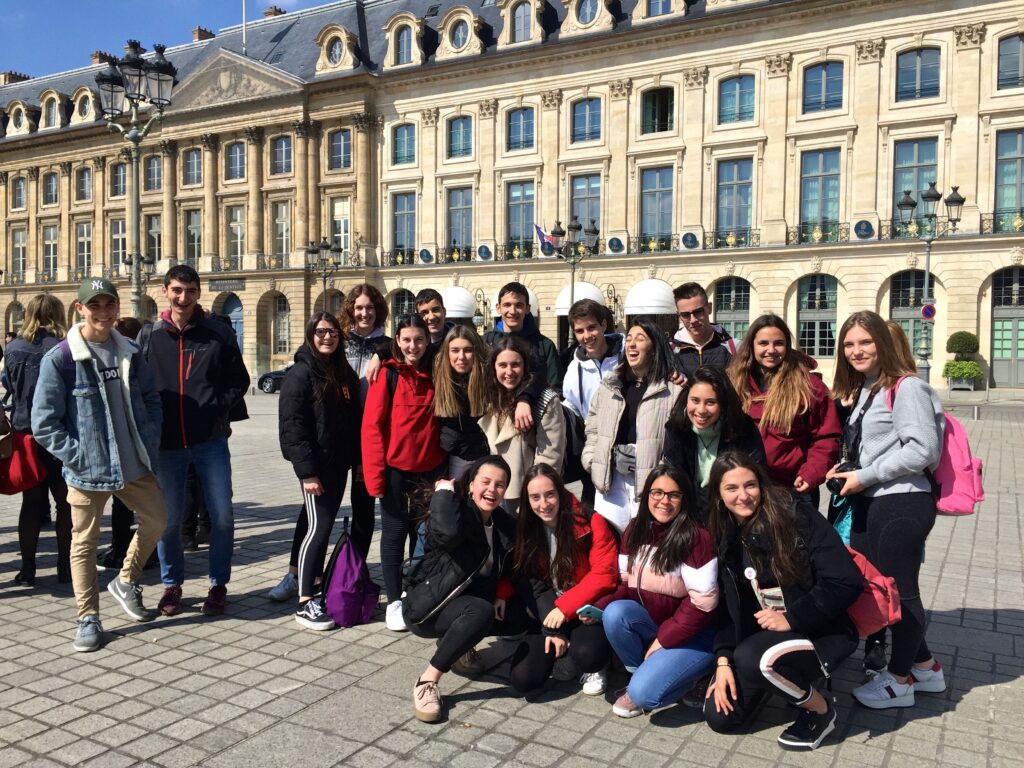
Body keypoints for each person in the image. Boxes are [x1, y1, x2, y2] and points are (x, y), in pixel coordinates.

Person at [32, 278, 166, 652]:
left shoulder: (130, 352)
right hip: (88, 469)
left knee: (158, 521)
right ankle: (88, 616)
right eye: (95, 306)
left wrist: (150, 437)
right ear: (80, 309)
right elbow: (44, 423)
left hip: (133, 462)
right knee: (85, 543)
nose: (104, 313)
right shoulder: (61, 358)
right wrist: (79, 456)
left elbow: (151, 399)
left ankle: (126, 580)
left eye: (109, 305)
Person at [827, 310, 946, 709]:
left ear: (882, 342)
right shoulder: (868, 387)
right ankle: (926, 668)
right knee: (882, 587)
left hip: (902, 501)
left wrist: (865, 475)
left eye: (865, 341)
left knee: (902, 592)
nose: (856, 350)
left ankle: (899, 681)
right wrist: (848, 470)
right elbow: (876, 446)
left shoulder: (907, 387)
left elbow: (923, 449)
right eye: (849, 344)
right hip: (873, 499)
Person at [704, 451, 862, 750]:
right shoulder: (724, 533)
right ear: (718, 495)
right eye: (731, 488)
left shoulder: (796, 516)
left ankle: (820, 710)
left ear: (761, 485)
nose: (743, 496)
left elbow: (845, 581)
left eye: (750, 485)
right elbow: (728, 608)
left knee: (753, 658)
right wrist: (722, 660)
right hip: (764, 638)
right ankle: (776, 678)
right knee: (721, 717)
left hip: (818, 631)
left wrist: (792, 618)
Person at [268, 284, 392, 602]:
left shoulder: (388, 346)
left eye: (370, 308)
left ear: (378, 310)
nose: (364, 313)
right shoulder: (338, 341)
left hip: (368, 441)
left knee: (363, 508)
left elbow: (401, 350)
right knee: (316, 514)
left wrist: (381, 353)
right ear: (350, 310)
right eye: (359, 308)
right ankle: (297, 574)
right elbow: (308, 362)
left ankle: (353, 573)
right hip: (333, 441)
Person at [147, 265, 250, 617]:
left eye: (190, 291)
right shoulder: (150, 337)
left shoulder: (217, 334)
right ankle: (171, 584)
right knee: (169, 520)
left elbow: (239, 380)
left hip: (210, 441)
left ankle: (218, 584)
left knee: (222, 514)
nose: (183, 297)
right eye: (177, 290)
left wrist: (215, 408)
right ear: (165, 291)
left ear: (198, 293)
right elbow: (138, 388)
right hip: (167, 444)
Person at [595, 463, 719, 718]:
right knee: (614, 613)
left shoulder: (697, 537)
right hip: (660, 625)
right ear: (647, 495)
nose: (664, 501)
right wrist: (598, 607)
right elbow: (626, 585)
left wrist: (664, 638)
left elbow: (703, 604)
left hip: (696, 634)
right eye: (657, 492)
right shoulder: (635, 529)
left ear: (684, 499)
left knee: (644, 696)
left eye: (673, 495)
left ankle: (699, 674)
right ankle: (641, 675)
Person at [403, 456, 520, 723]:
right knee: (480, 611)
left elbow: (510, 566)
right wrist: (444, 493)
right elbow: (448, 533)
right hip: (429, 607)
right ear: (470, 485)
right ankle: (427, 681)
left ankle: (458, 644)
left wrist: (502, 593)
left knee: (517, 614)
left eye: (500, 485)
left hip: (467, 601)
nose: (492, 490)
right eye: (485, 482)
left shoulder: (503, 524)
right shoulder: (457, 515)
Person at [362, 313, 446, 631]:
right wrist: (375, 478)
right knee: (395, 533)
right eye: (407, 340)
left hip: (430, 468)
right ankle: (395, 599)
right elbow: (371, 428)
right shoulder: (388, 374)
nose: (413, 346)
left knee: (422, 533)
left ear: (428, 340)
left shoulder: (438, 371)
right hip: (395, 469)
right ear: (397, 340)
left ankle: (415, 589)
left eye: (419, 339)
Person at [279, 312, 361, 630]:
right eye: (321, 331)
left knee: (320, 527)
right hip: (316, 468)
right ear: (311, 334)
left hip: (338, 464)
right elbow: (293, 428)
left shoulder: (341, 372)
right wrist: (307, 473)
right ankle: (304, 601)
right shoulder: (300, 374)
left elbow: (351, 420)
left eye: (333, 332)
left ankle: (314, 583)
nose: (328, 337)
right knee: (318, 528)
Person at [509, 464, 617, 695]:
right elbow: (527, 579)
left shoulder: (591, 521)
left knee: (589, 656)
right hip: (550, 605)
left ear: (560, 492)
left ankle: (594, 662)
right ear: (527, 500)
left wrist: (564, 608)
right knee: (523, 678)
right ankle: (565, 645)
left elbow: (605, 573)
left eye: (550, 494)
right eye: (535, 497)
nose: (544, 504)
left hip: (585, 606)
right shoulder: (526, 527)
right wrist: (552, 629)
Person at [727, 314, 840, 507]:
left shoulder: (809, 386)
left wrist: (811, 473)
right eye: (763, 343)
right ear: (751, 346)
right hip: (743, 488)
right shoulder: (733, 382)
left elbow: (826, 437)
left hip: (792, 488)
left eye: (778, 343)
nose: (771, 350)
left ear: (787, 346)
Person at [582, 316, 682, 534]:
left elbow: (679, 441)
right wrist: (592, 460)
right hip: (610, 481)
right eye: (629, 339)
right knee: (610, 540)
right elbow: (592, 428)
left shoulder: (672, 390)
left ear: (654, 349)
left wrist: (660, 471)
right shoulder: (609, 386)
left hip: (651, 484)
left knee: (645, 542)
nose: (632, 344)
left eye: (640, 339)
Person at [3, 294, 72, 585]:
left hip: (25, 433)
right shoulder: (66, 347)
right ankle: (65, 567)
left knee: (31, 504)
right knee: (65, 504)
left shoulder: (13, 348)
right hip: (60, 433)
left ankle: (28, 569)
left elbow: (8, 384)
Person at [663, 365, 765, 521]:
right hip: (689, 512)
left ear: (723, 404)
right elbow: (674, 477)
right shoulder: (676, 429)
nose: (701, 410)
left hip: (732, 511)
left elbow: (756, 475)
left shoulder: (743, 429)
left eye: (710, 402)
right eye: (695, 401)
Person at [478, 336, 565, 513]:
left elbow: (550, 456)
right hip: (495, 492)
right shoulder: (491, 397)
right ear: (494, 368)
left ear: (525, 366)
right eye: (502, 365)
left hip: (526, 494)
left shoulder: (545, 400)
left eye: (515, 365)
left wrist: (536, 495)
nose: (509, 372)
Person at [99, 317, 158, 573]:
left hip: (132, 447)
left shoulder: (132, 357)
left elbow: (150, 399)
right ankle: (144, 554)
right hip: (136, 446)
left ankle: (123, 554)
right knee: (144, 507)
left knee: (127, 507)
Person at [562, 299, 624, 505]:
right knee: (593, 509)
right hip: (594, 448)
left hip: (625, 445)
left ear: (604, 325)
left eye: (591, 328)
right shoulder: (574, 368)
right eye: (580, 331)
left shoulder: (626, 356)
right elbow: (571, 405)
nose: (587, 336)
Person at [434, 325, 490, 481]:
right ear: (447, 352)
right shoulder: (437, 373)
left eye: (468, 350)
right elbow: (405, 350)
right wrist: (379, 354)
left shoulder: (488, 376)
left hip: (484, 452)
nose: (461, 357)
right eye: (455, 350)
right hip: (453, 454)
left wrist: (524, 399)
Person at [484, 282, 562, 389]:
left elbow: (556, 386)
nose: (512, 311)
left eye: (519, 305)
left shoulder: (544, 345)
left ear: (527, 308)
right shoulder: (486, 342)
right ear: (498, 308)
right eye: (507, 305)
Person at [671, 282, 737, 379]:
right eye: (685, 315)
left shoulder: (735, 348)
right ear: (679, 315)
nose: (693, 320)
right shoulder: (669, 352)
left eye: (698, 312)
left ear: (709, 308)